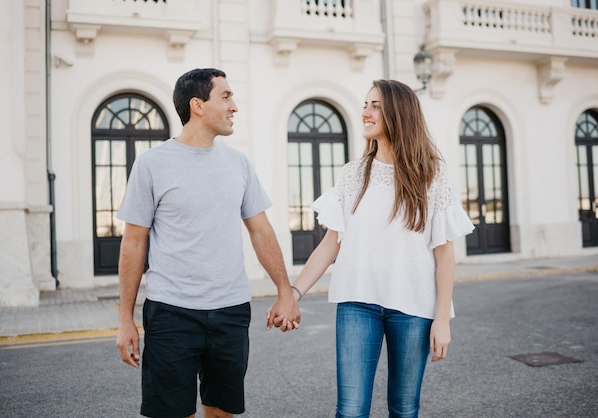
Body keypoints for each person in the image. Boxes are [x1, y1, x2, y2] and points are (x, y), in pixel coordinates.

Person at [273, 79, 474, 417]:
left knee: (404, 408)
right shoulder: (353, 174)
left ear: (399, 113)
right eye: (365, 105)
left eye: (374, 105)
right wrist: (293, 293)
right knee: (350, 410)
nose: (364, 112)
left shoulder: (433, 174)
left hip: (413, 308)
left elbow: (444, 253)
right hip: (357, 304)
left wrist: (442, 319)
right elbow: (330, 245)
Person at [115, 68, 300, 418]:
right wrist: (126, 318)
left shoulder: (238, 163)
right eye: (226, 96)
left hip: (231, 311)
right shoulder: (152, 165)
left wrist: (284, 290)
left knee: (221, 412)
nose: (234, 106)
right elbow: (134, 244)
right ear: (198, 105)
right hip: (171, 312)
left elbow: (260, 231)